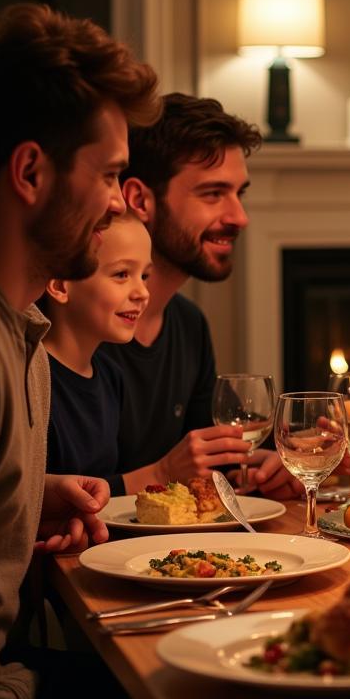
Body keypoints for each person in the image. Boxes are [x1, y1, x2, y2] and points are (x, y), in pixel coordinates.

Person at [0, 2, 187, 699]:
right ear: (32, 172)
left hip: (15, 683)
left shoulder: (28, 338)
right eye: (110, 176)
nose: (122, 206)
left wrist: (30, 496)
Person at [101, 92, 265, 494]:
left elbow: (203, 466)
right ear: (139, 199)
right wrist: (161, 472)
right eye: (212, 194)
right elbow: (43, 498)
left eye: (238, 193)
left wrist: (266, 469)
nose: (238, 217)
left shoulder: (189, 324)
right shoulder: (81, 324)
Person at [42, 212, 151, 480]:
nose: (143, 293)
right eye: (122, 274)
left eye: (144, 275)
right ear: (60, 285)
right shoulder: (33, 377)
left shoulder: (111, 376)